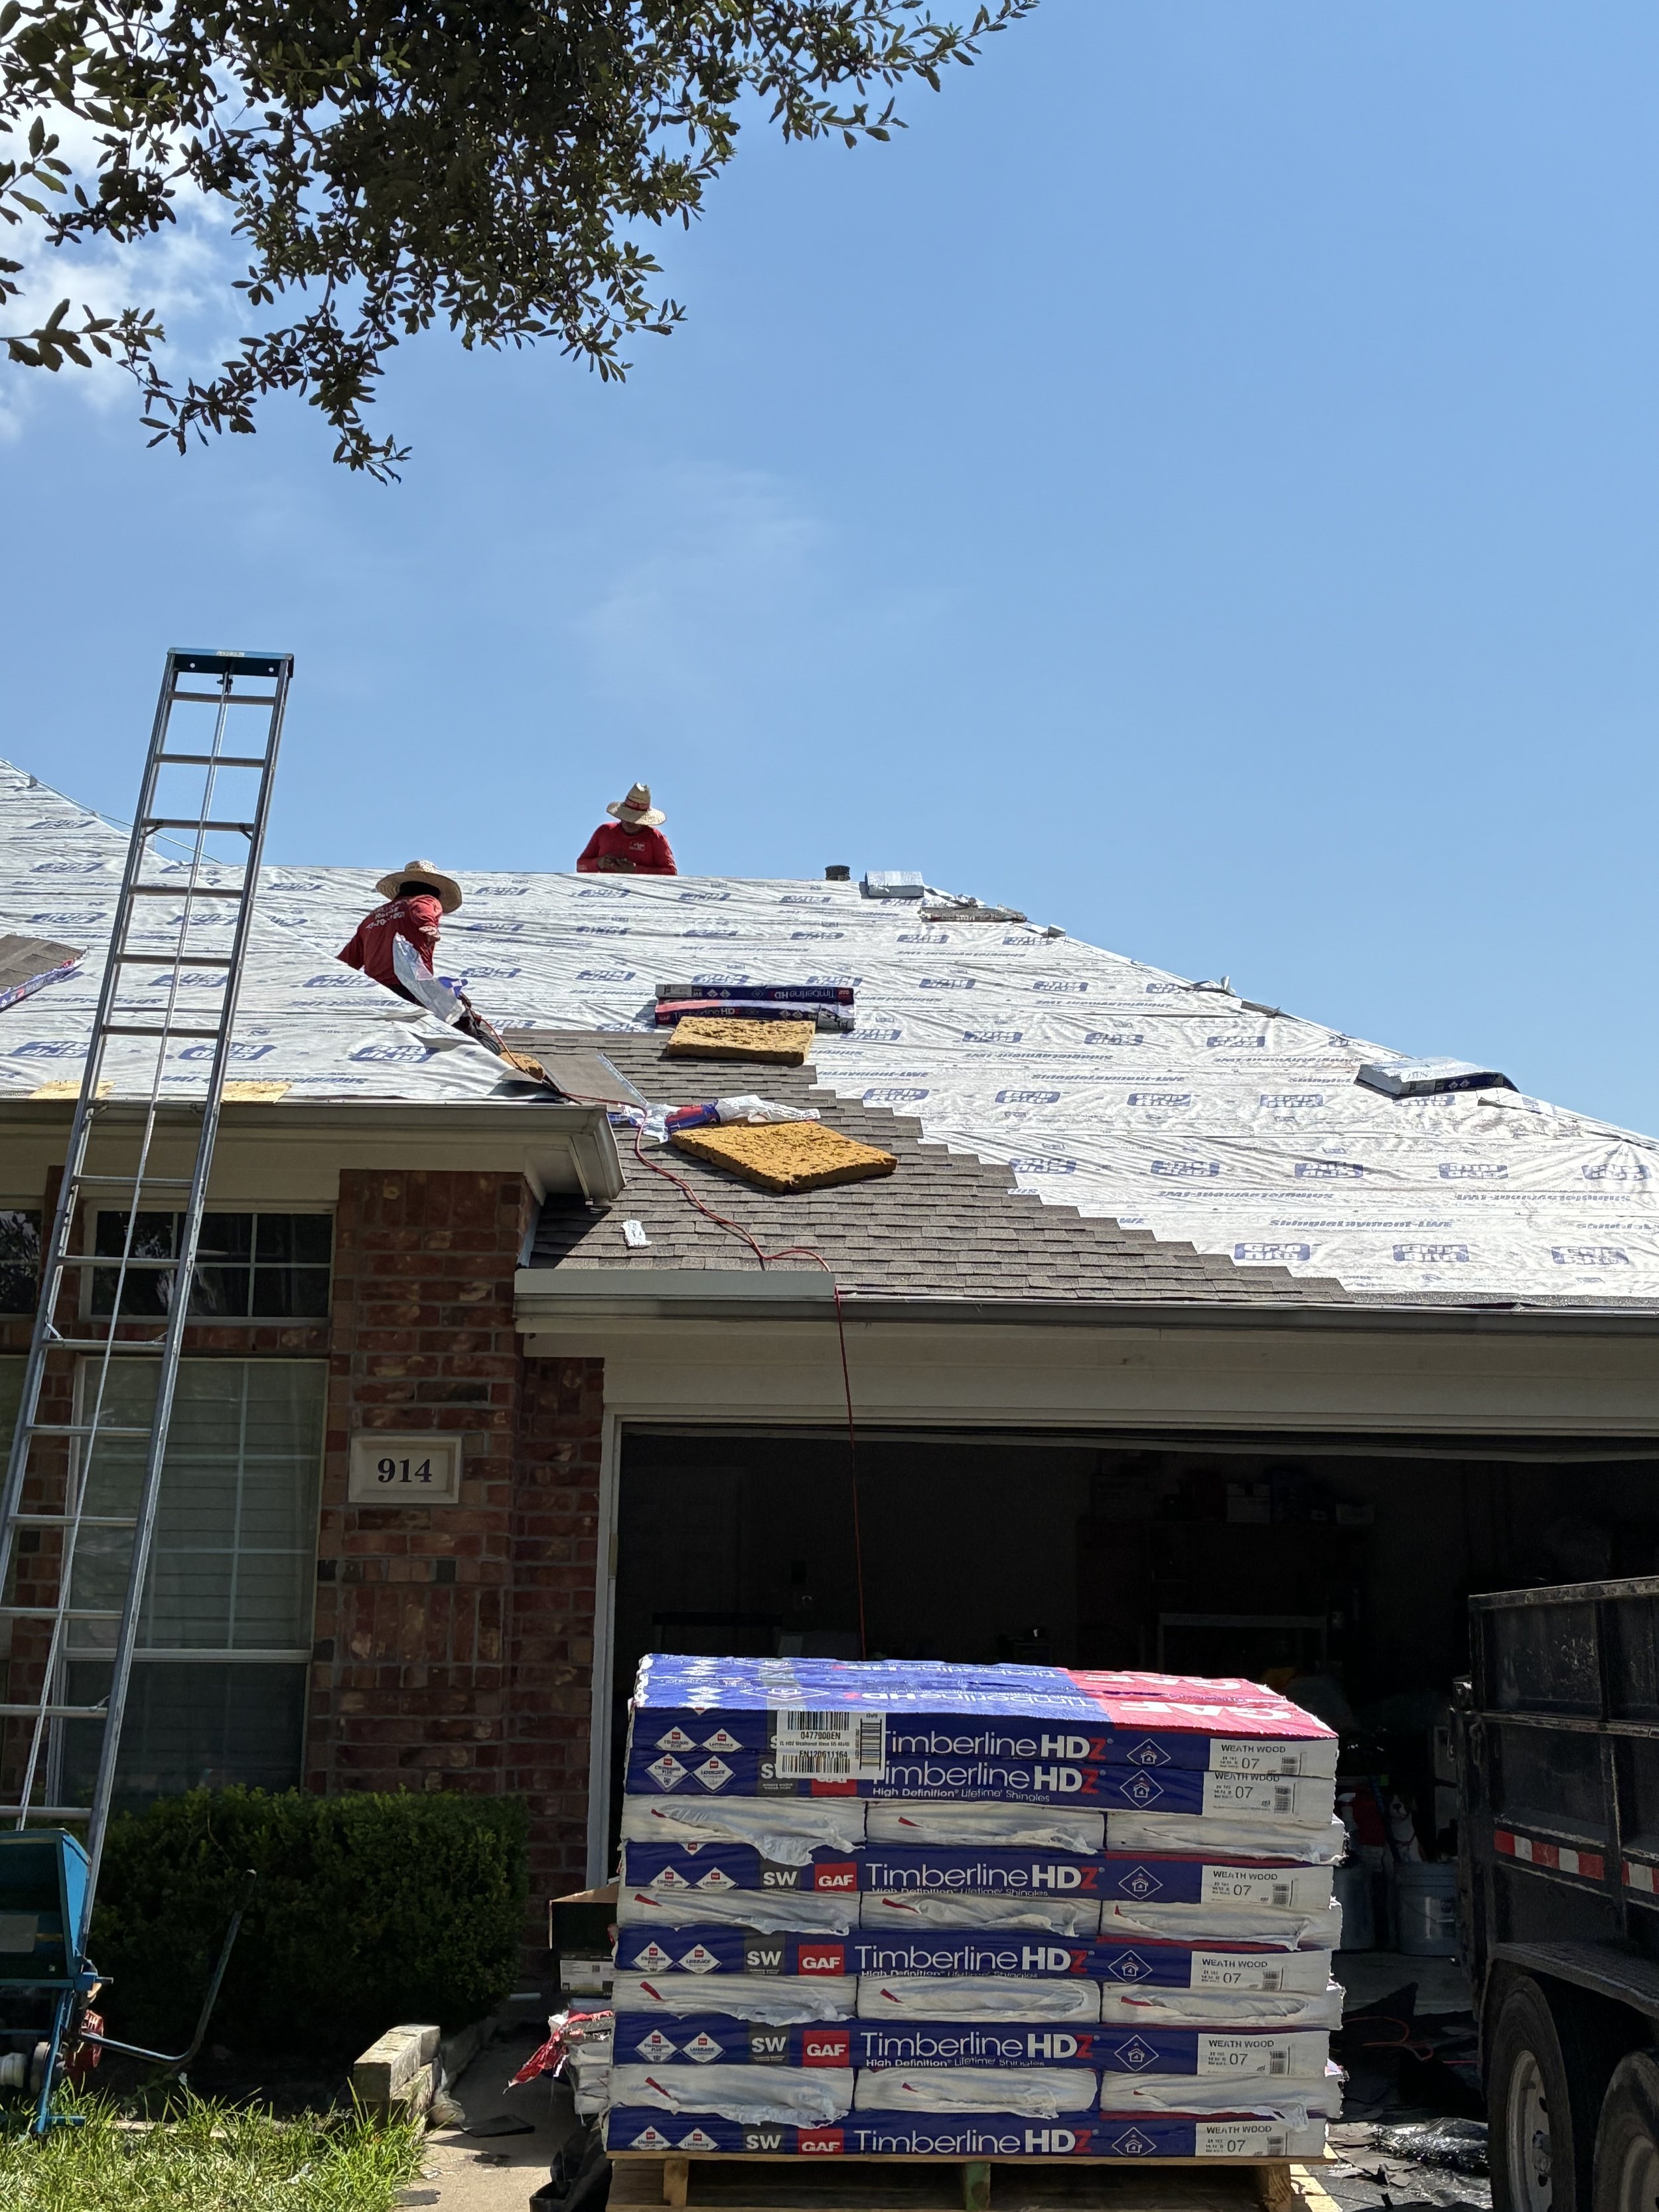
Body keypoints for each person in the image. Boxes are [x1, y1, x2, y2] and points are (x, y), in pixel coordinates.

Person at [338, 859, 463, 995]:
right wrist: (429, 926)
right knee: (460, 1013)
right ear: (434, 890)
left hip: (378, 992)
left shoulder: (373, 917)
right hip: (411, 986)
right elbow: (423, 911)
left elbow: (346, 962)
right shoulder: (427, 900)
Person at [577, 782, 676, 875]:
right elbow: (580, 866)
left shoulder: (655, 838)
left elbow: (671, 873)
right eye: (628, 817)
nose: (631, 822)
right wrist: (598, 863)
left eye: (636, 819)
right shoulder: (605, 832)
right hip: (602, 892)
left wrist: (635, 870)